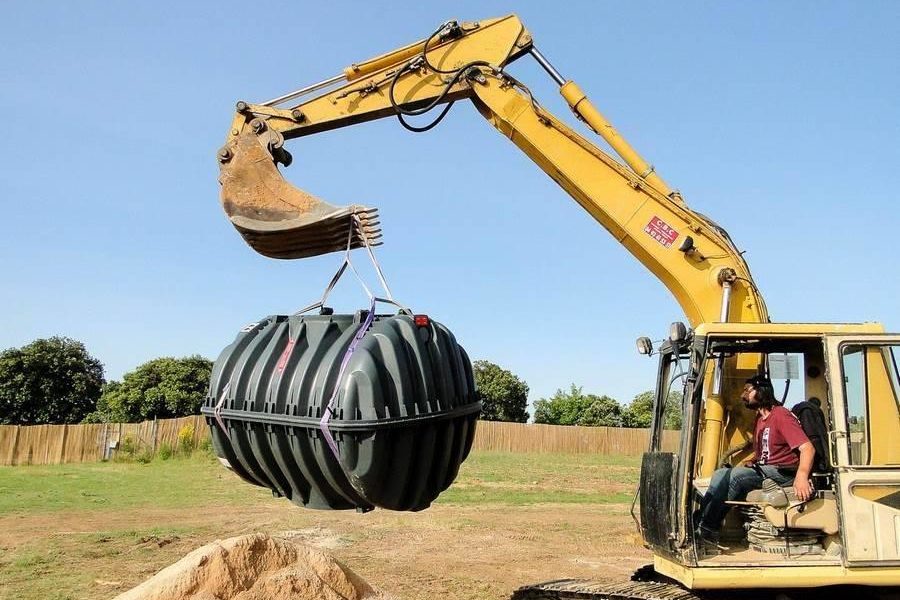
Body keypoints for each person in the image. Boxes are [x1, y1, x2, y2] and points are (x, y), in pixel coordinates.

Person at [696, 375, 815, 546]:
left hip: (784, 472)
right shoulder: (760, 419)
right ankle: (701, 522)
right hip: (767, 469)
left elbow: (807, 448)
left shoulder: (781, 415)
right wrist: (753, 460)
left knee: (734, 477)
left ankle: (708, 530)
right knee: (721, 473)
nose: (743, 395)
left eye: (747, 390)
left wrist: (802, 476)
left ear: (761, 391)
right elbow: (765, 452)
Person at [791, 396, 830, 472]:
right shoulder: (817, 411)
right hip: (815, 441)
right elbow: (822, 430)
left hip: (800, 441)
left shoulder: (797, 409)